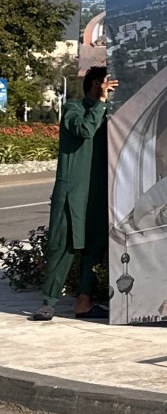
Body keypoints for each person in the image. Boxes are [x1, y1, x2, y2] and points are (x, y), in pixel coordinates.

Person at [32, 66, 118, 321]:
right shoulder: (74, 109)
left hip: (99, 193)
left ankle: (84, 301)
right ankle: (48, 302)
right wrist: (101, 102)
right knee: (63, 245)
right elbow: (84, 130)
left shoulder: (109, 115)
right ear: (96, 85)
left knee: (94, 247)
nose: (111, 91)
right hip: (73, 191)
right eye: (107, 85)